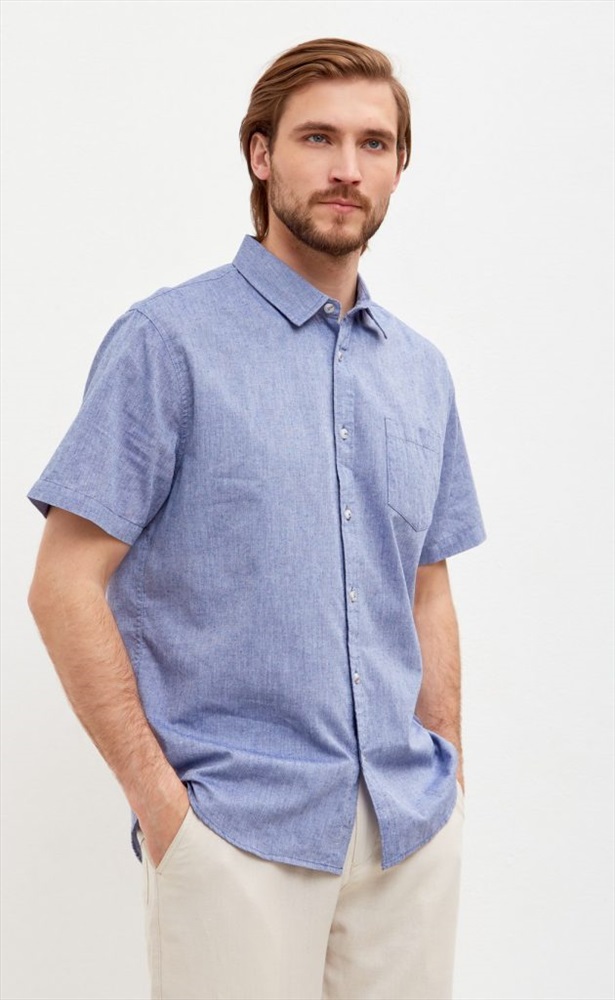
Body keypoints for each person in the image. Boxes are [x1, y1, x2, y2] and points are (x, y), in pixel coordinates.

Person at [28, 37, 486, 1000]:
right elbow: (64, 584)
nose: (346, 168)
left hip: (406, 830)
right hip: (236, 832)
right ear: (261, 154)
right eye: (318, 138)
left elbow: (426, 587)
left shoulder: (421, 372)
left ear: (399, 166)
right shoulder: (168, 343)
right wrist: (166, 810)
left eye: (373, 143)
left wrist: (445, 774)